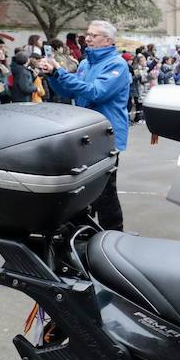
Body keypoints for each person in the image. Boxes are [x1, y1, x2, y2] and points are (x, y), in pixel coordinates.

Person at [40, 20, 128, 230]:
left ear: (108, 40)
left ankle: (114, 235)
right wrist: (52, 75)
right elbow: (70, 92)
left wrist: (60, 73)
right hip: (85, 133)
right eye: (87, 34)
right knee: (83, 187)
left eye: (93, 35)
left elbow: (95, 92)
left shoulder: (117, 65)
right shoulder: (86, 63)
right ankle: (84, 232)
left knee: (105, 191)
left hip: (106, 134)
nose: (87, 38)